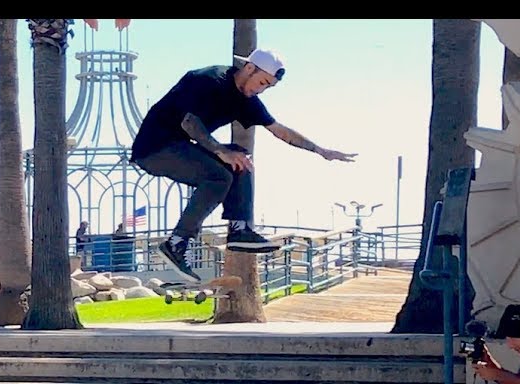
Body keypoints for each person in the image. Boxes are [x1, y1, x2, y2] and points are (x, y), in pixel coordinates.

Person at [130, 48, 357, 282]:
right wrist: (220, 151)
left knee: (240, 159)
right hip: (154, 148)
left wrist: (320, 150)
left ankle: (240, 228)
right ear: (249, 68)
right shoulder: (208, 79)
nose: (260, 89)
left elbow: (279, 130)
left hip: (181, 146)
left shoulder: (247, 101)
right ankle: (176, 243)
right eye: (262, 82)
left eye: (267, 87)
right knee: (219, 176)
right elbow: (189, 122)